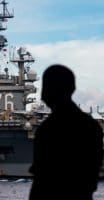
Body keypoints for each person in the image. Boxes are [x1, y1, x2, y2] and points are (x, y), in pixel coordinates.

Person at [29, 64, 103, 200]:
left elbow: (40, 181)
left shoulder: (46, 130)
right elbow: (91, 178)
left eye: (47, 88)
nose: (44, 94)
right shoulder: (92, 127)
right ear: (72, 88)